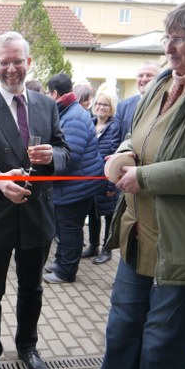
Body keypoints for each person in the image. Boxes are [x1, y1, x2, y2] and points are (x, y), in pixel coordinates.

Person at [94, 0, 185, 369]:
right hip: (138, 236)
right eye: (167, 37)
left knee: (162, 349)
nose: (168, 48)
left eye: (179, 39)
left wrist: (145, 177)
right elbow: (136, 134)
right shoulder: (164, 83)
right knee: (121, 335)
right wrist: (125, 152)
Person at [0, 31, 70, 369]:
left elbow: (65, 150)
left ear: (28, 62)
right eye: (4, 62)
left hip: (38, 214)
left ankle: (28, 346)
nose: (11, 68)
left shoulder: (46, 105)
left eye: (17, 61)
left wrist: (53, 157)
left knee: (32, 288)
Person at [42, 73, 104, 284]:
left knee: (70, 228)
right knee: (64, 226)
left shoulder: (74, 116)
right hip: (73, 183)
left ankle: (66, 272)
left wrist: (45, 159)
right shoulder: (68, 111)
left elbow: (70, 155)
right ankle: (61, 262)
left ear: (55, 93)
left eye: (48, 93)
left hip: (78, 184)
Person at [81, 85, 121, 264]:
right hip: (91, 179)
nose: (101, 107)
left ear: (111, 107)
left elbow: (116, 156)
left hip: (107, 179)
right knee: (93, 213)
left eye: (105, 104)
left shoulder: (114, 127)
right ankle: (93, 246)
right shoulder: (89, 123)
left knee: (109, 215)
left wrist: (112, 184)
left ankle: (107, 249)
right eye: (98, 103)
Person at [115, 61, 161, 141]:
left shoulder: (167, 102)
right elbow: (116, 139)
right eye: (140, 75)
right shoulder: (123, 106)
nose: (144, 79)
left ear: (160, 79)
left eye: (149, 75)